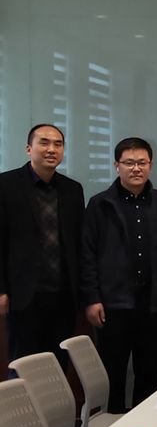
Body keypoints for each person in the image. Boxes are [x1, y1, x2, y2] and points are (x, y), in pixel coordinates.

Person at [81, 137, 157, 413]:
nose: (136, 168)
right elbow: (87, 255)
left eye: (142, 163)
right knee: (112, 372)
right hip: (113, 304)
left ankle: (144, 426)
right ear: (117, 166)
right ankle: (109, 425)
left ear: (150, 165)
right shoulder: (100, 204)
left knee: (148, 372)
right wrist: (92, 298)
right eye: (129, 163)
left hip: (152, 303)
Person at [0, 124, 84, 372]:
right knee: (23, 365)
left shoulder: (72, 189)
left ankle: (55, 402)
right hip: (23, 295)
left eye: (58, 144)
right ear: (29, 149)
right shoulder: (6, 185)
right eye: (44, 143)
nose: (51, 149)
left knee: (57, 368)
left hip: (63, 295)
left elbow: (78, 243)